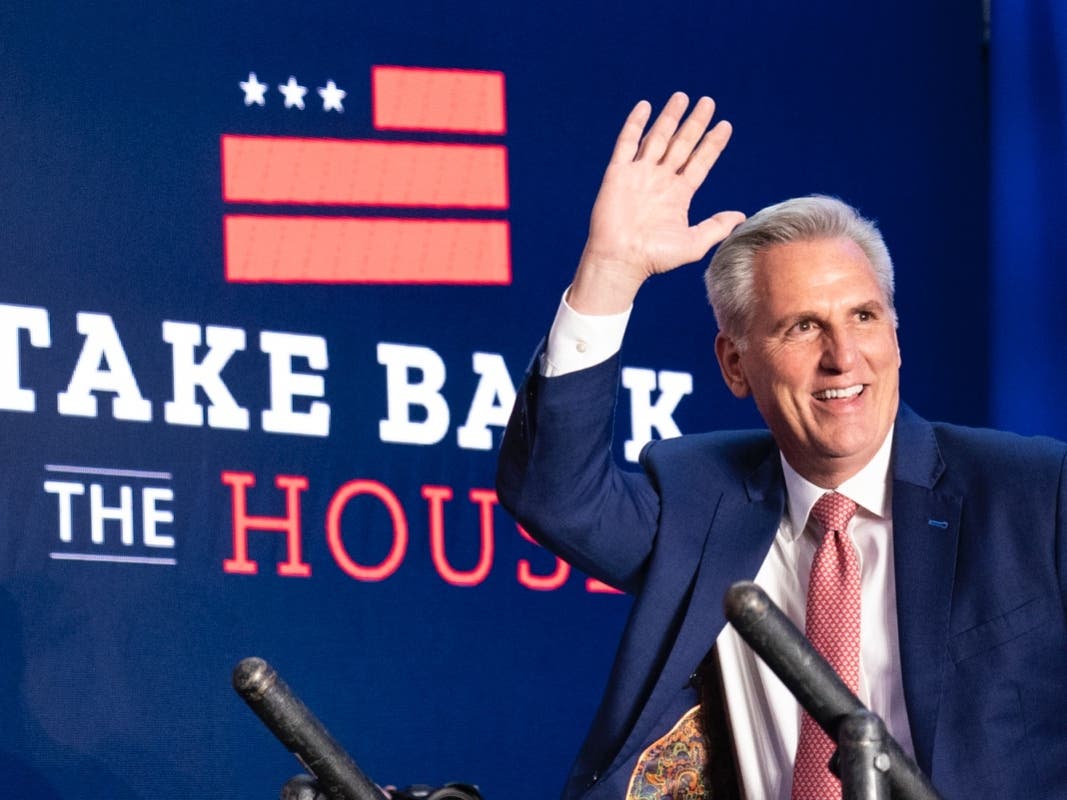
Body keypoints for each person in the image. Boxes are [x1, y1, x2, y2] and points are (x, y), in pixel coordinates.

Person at [496, 93, 1067, 799]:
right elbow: (555, 496)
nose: (842, 357)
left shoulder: (1037, 494)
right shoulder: (699, 499)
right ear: (734, 365)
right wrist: (610, 270)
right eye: (800, 327)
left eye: (862, 317)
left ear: (894, 334)